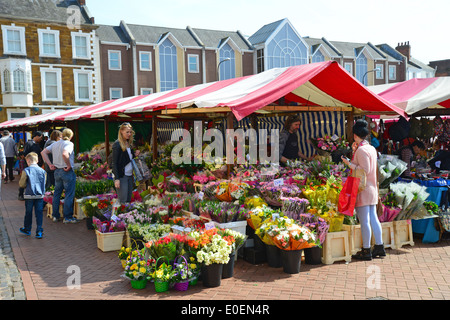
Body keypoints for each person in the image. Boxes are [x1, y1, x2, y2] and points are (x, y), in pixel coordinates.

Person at [341, 119, 385, 260]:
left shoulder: (362, 150)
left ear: (355, 135)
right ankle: (379, 246)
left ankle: (366, 250)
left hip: (363, 188)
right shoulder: (371, 148)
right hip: (372, 187)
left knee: (364, 219)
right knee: (373, 218)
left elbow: (363, 170)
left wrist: (349, 163)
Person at [41, 129, 78, 223]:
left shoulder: (55, 143)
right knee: (69, 194)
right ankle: (68, 217)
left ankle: (55, 215)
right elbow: (65, 153)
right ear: (71, 136)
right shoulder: (69, 144)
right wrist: (69, 165)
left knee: (57, 194)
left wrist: (49, 164)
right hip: (66, 171)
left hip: (57, 171)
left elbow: (43, 152)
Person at [19, 152, 46, 239]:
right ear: (37, 160)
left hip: (29, 195)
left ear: (28, 161)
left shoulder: (26, 171)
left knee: (28, 212)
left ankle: (27, 228)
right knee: (39, 213)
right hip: (40, 195)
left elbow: (22, 184)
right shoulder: (43, 171)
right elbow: (44, 183)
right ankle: (39, 231)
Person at [112, 122, 140, 203]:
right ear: (121, 131)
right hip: (122, 176)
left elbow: (127, 159)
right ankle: (120, 216)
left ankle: (125, 216)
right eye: (127, 132)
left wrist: (134, 154)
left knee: (128, 201)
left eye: (130, 132)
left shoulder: (128, 144)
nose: (129, 134)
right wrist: (117, 179)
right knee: (123, 202)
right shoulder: (117, 145)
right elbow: (114, 163)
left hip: (129, 175)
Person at [19, 131, 43, 200]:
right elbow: (25, 153)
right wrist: (28, 163)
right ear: (36, 136)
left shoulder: (37, 144)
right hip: (29, 165)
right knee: (25, 179)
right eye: (40, 137)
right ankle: (20, 194)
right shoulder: (29, 143)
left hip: (36, 164)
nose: (41, 139)